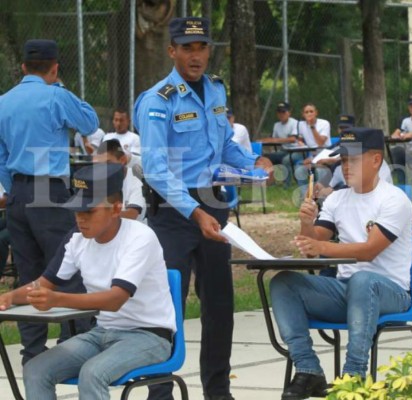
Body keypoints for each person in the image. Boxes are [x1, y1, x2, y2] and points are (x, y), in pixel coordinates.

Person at [134, 16, 273, 400]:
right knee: (167, 306)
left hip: (215, 204)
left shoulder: (215, 90)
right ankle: (158, 391)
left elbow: (225, 143)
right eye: (187, 48)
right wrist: (195, 213)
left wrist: (254, 165)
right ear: (172, 51)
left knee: (220, 304)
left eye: (202, 47)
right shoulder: (157, 100)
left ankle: (218, 390)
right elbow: (157, 170)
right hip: (174, 212)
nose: (196, 56)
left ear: (209, 50)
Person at [0, 163, 176, 400]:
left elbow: (115, 300)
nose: (80, 219)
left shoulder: (140, 237)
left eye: (89, 211)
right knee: (35, 369)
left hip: (150, 336)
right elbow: (43, 284)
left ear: (116, 209)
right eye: (76, 211)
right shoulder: (77, 239)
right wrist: (9, 298)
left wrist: (57, 299)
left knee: (92, 374)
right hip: (101, 332)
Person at [270, 127, 412, 400]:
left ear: (375, 160)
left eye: (354, 160)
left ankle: (354, 376)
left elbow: (369, 251)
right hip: (347, 290)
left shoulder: (395, 199)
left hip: (391, 292)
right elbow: (313, 246)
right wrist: (306, 221)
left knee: (363, 279)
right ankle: (308, 368)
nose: (346, 167)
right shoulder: (336, 198)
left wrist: (321, 247)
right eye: (343, 160)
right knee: (283, 282)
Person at [0, 39, 99, 364]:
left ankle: (33, 353)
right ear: (55, 68)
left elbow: (1, 155)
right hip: (51, 193)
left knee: (28, 271)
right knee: (67, 267)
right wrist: (62, 89)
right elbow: (89, 124)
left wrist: (13, 187)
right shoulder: (56, 95)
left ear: (24, 68)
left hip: (18, 196)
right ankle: (75, 343)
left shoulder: (4, 102)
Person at [93, 139, 146, 220]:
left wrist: (98, 215)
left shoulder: (137, 179)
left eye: (108, 163)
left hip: (133, 229)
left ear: (122, 160)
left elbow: (131, 215)